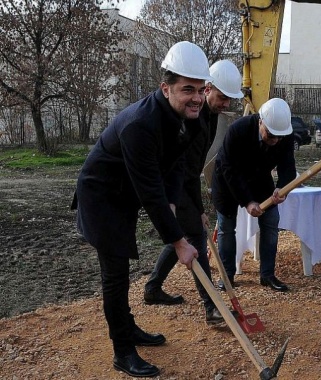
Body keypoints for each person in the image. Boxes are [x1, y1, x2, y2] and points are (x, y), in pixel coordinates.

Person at [72, 41, 212, 378]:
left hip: (128, 193)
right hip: (102, 197)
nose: (196, 97)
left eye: (201, 89)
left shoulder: (190, 117)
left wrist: (174, 202)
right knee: (116, 275)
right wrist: (178, 242)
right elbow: (149, 190)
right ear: (166, 88)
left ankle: (129, 328)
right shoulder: (140, 124)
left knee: (119, 273)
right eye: (187, 89)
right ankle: (123, 350)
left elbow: (177, 165)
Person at [143, 60, 244, 324]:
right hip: (173, 185)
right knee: (196, 240)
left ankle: (152, 289)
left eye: (229, 99)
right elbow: (185, 170)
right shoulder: (194, 116)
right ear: (208, 89)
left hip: (185, 183)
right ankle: (211, 307)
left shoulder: (208, 117)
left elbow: (195, 168)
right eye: (223, 97)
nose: (226, 104)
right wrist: (195, 208)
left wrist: (198, 209)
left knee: (182, 238)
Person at [211, 97, 296, 292]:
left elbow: (288, 167)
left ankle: (267, 275)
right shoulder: (238, 130)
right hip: (227, 181)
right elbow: (229, 169)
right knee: (226, 228)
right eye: (270, 134)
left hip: (260, 179)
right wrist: (247, 201)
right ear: (260, 122)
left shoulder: (285, 133)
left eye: (278, 137)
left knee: (271, 222)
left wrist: (282, 188)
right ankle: (228, 275)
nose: (275, 141)